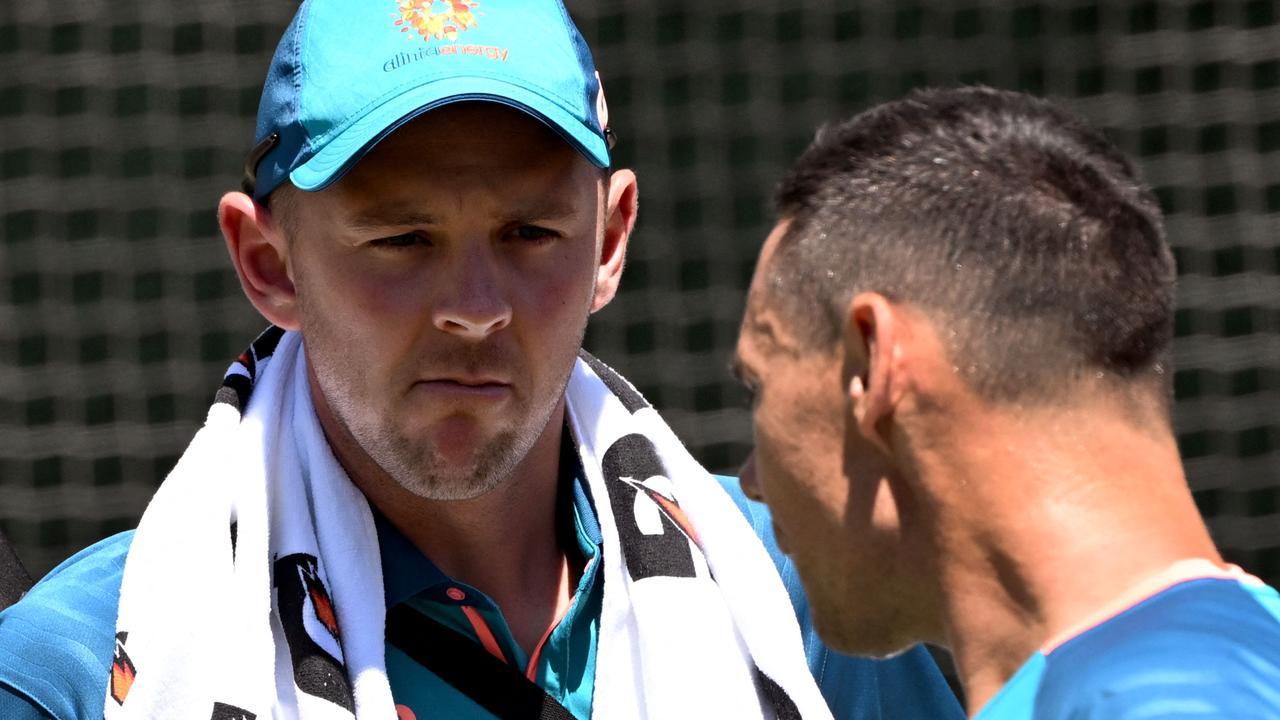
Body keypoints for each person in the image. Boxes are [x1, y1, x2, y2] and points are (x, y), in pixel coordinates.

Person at [0, 2, 964, 718]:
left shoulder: (803, 582)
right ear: (268, 263)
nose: (474, 309)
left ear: (610, 240)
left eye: (531, 232)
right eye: (401, 240)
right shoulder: (79, 670)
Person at [733, 85, 1280, 719]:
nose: (750, 482)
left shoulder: (1170, 703)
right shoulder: (1219, 669)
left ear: (872, 365)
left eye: (760, 382)